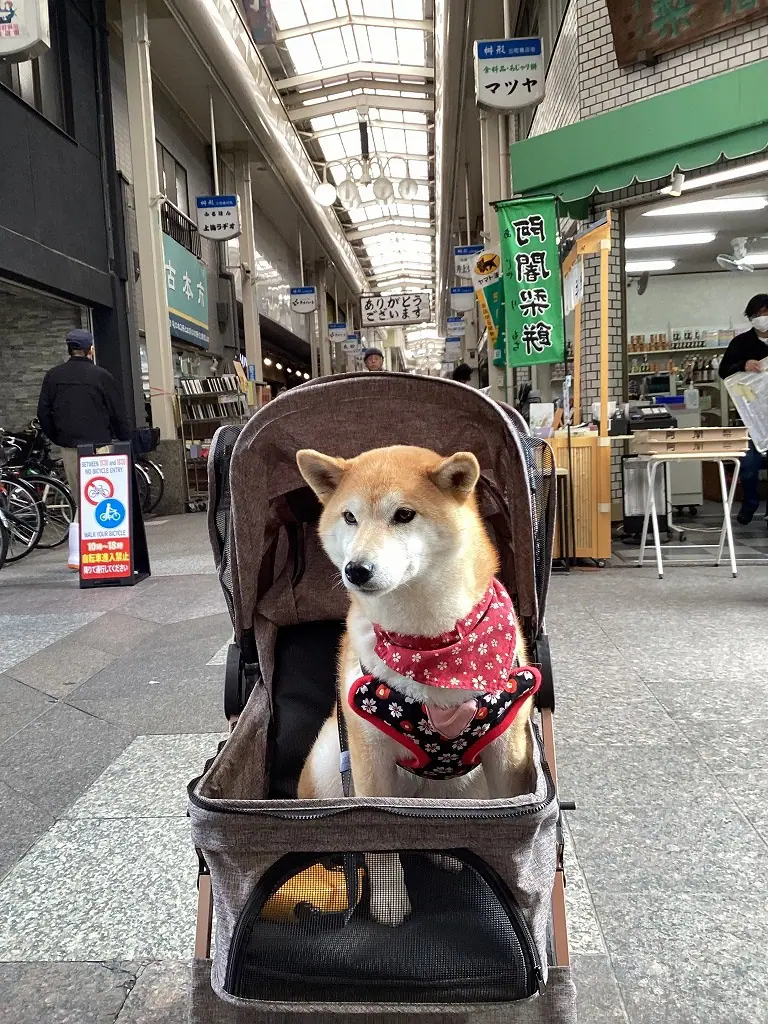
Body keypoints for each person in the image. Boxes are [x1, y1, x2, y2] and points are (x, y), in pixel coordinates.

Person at [37, 328, 131, 568]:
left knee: (81, 498)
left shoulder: (53, 376)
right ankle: (84, 553)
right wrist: (124, 440)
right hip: (99, 447)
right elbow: (117, 414)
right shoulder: (101, 376)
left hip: (69, 447)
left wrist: (58, 438)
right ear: (90, 349)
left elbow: (43, 414)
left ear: (69, 349)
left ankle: (77, 552)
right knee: (99, 498)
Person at [718, 293, 768, 524]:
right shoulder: (741, 343)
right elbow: (724, 371)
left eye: (766, 313)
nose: (763, 318)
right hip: (751, 416)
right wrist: (743, 365)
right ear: (751, 317)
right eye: (758, 314)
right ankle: (750, 502)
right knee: (749, 465)